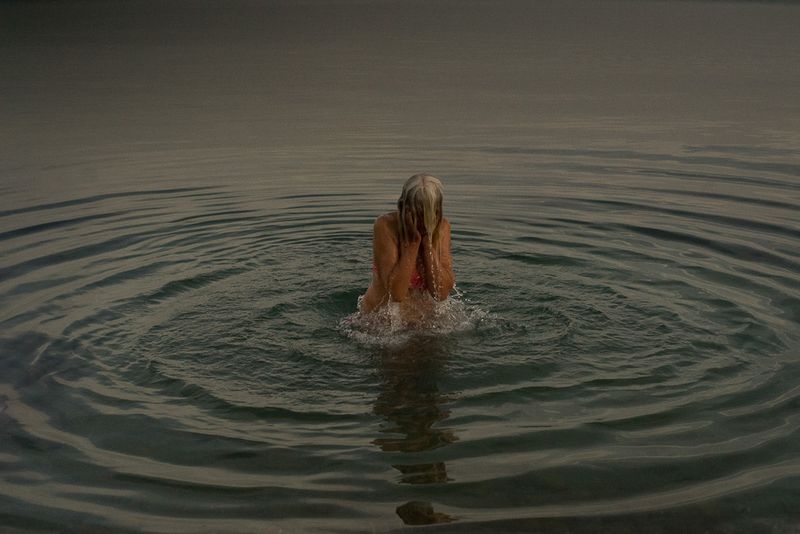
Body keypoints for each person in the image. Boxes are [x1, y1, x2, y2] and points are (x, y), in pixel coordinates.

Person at [359, 174, 455, 319]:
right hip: (381, 322)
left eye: (428, 215)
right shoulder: (385, 226)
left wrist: (428, 246)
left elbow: (441, 294)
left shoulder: (442, 228)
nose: (422, 223)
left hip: (426, 322)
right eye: (418, 214)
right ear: (403, 206)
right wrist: (413, 244)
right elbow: (396, 294)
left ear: (438, 211)